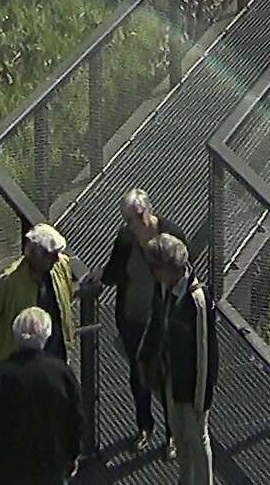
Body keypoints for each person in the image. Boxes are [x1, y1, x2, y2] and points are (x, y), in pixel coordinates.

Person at [95, 189, 176, 452]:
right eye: (127, 220)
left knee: (165, 375)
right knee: (138, 373)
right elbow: (113, 272)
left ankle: (172, 434)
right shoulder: (126, 240)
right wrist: (97, 277)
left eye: (137, 217)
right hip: (132, 316)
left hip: (162, 319)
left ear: (149, 212)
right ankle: (145, 426)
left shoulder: (169, 235)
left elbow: (184, 269)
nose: (133, 224)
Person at [0, 305, 84, 485]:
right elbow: (76, 418)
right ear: (47, 335)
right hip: (50, 466)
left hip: (9, 469)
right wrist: (72, 455)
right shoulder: (60, 372)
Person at [142, 232, 217, 479]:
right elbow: (157, 324)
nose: (153, 273)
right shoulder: (164, 288)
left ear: (169, 268)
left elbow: (205, 353)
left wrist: (201, 399)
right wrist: (146, 357)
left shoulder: (197, 300)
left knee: (197, 437)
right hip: (172, 377)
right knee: (179, 435)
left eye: (156, 268)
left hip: (193, 384)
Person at [0, 224, 84, 384]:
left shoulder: (60, 266)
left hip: (56, 353)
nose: (56, 259)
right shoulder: (8, 282)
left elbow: (67, 298)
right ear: (33, 253)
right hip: (20, 364)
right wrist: (7, 336)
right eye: (50, 254)